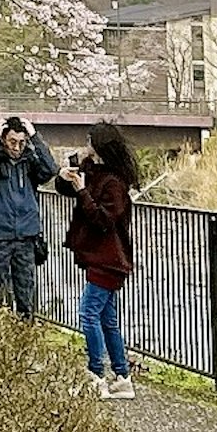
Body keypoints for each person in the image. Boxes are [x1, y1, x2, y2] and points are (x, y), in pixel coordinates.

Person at [60, 121, 139, 396]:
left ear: (100, 145)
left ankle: (96, 375)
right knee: (107, 319)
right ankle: (122, 377)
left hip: (109, 259)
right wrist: (68, 174)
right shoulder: (97, 172)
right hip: (103, 258)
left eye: (90, 140)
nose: (86, 144)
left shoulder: (114, 183)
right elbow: (65, 188)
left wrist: (82, 190)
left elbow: (103, 220)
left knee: (88, 313)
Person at [0, 114, 59, 318]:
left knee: (26, 294)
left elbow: (51, 169)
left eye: (21, 142)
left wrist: (35, 137)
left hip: (26, 236)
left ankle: (24, 336)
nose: (16, 147)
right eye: (12, 142)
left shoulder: (29, 162)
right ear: (3, 140)